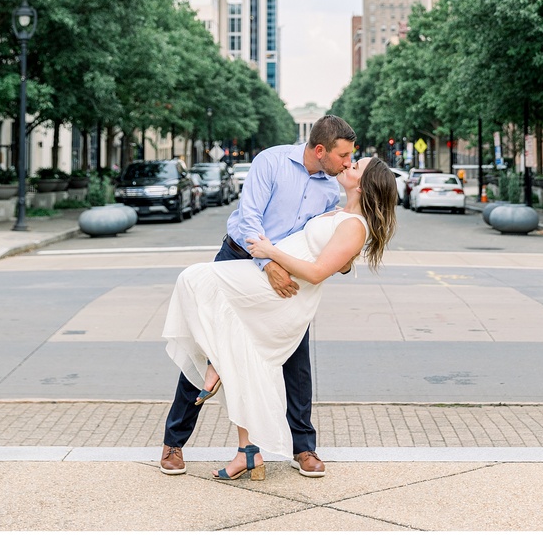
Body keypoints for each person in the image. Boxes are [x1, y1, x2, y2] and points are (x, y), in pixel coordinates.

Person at [163, 153, 397, 480]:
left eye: (355, 164)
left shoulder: (350, 220)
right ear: (322, 149)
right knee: (241, 355)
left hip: (284, 292)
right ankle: (245, 450)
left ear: (365, 184)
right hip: (258, 269)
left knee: (197, 282)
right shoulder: (295, 177)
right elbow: (257, 217)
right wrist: (271, 260)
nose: (347, 163)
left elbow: (319, 270)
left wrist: (272, 253)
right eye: (345, 156)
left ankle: (296, 443)